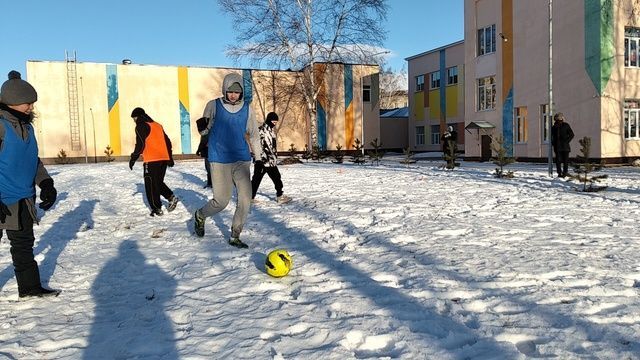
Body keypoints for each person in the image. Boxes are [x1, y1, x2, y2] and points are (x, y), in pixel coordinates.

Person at [0, 70, 59, 298]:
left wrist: (45, 183)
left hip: (23, 197)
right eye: (28, 103)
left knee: (23, 246)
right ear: (12, 102)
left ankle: (30, 288)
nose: (31, 108)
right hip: (2, 198)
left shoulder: (28, 127)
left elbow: (31, 159)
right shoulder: (1, 127)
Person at [193, 72, 262, 249]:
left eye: (237, 92)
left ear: (241, 93)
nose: (233, 95)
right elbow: (205, 131)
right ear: (224, 90)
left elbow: (254, 135)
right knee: (221, 201)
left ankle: (235, 235)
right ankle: (200, 215)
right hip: (219, 159)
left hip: (241, 159)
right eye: (230, 91)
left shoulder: (247, 109)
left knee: (245, 199)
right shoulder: (213, 105)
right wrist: (202, 128)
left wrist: (259, 158)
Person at [129, 107, 179, 216]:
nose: (134, 121)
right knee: (157, 183)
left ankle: (157, 208)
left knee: (150, 184)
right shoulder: (157, 125)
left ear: (138, 117)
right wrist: (169, 157)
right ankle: (171, 197)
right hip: (163, 159)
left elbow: (140, 144)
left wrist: (133, 158)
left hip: (152, 160)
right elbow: (168, 142)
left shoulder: (141, 126)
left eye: (134, 118)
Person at [251, 112, 291, 204]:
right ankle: (250, 197)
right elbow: (256, 145)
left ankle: (279, 195)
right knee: (257, 179)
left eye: (276, 122)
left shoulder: (271, 131)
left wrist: (274, 157)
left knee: (276, 177)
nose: (274, 124)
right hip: (262, 161)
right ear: (268, 120)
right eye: (273, 121)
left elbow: (272, 147)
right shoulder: (260, 130)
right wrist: (258, 158)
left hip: (271, 161)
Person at [551, 112, 574, 178]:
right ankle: (560, 173)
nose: (557, 120)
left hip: (565, 147)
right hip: (558, 147)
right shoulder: (554, 127)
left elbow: (571, 135)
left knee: (564, 161)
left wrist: (566, 141)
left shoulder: (566, 125)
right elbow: (552, 137)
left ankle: (564, 173)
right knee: (559, 161)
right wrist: (554, 143)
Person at [195, 120, 212, 188]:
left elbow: (204, 142)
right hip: (206, 152)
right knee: (208, 168)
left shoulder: (210, 131)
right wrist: (199, 150)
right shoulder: (205, 132)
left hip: (212, 152)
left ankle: (213, 183)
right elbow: (202, 142)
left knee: (212, 168)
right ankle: (210, 183)